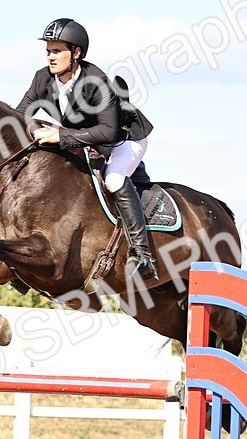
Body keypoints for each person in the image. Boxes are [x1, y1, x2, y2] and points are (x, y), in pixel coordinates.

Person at [16, 18, 157, 280]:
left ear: (76, 53)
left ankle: (142, 255)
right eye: (48, 51)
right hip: (86, 137)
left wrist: (59, 135)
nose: (50, 57)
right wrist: (34, 130)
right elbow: (20, 113)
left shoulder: (96, 81)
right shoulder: (42, 78)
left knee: (114, 179)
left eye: (57, 51)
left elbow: (107, 132)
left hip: (123, 139)